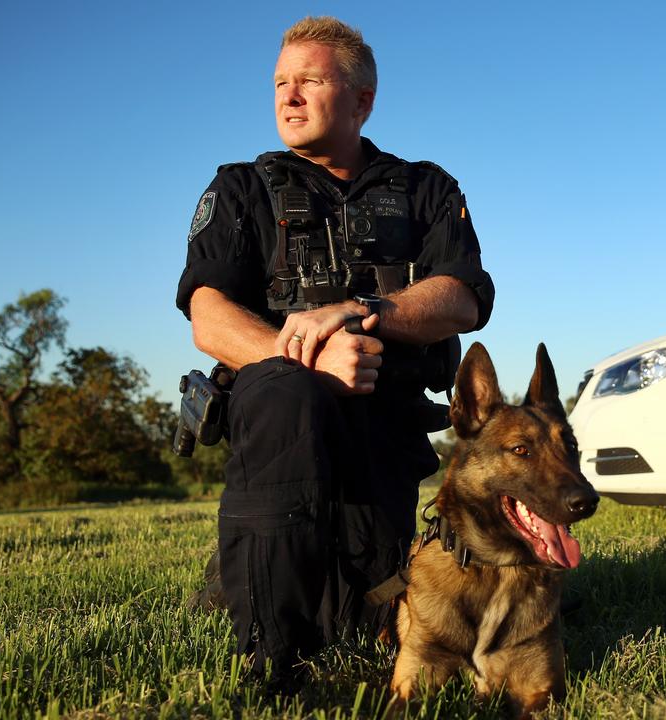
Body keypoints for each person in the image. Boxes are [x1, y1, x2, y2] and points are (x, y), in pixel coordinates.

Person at [174, 16, 495, 682]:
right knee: (282, 392)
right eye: (279, 83)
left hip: (384, 419)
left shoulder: (426, 188)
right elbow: (207, 314)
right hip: (279, 415)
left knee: (363, 616)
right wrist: (307, 356)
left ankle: (286, 576)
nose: (287, 98)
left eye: (309, 82)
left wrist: (358, 313)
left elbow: (463, 298)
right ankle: (267, 652)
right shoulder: (239, 188)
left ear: (361, 101)